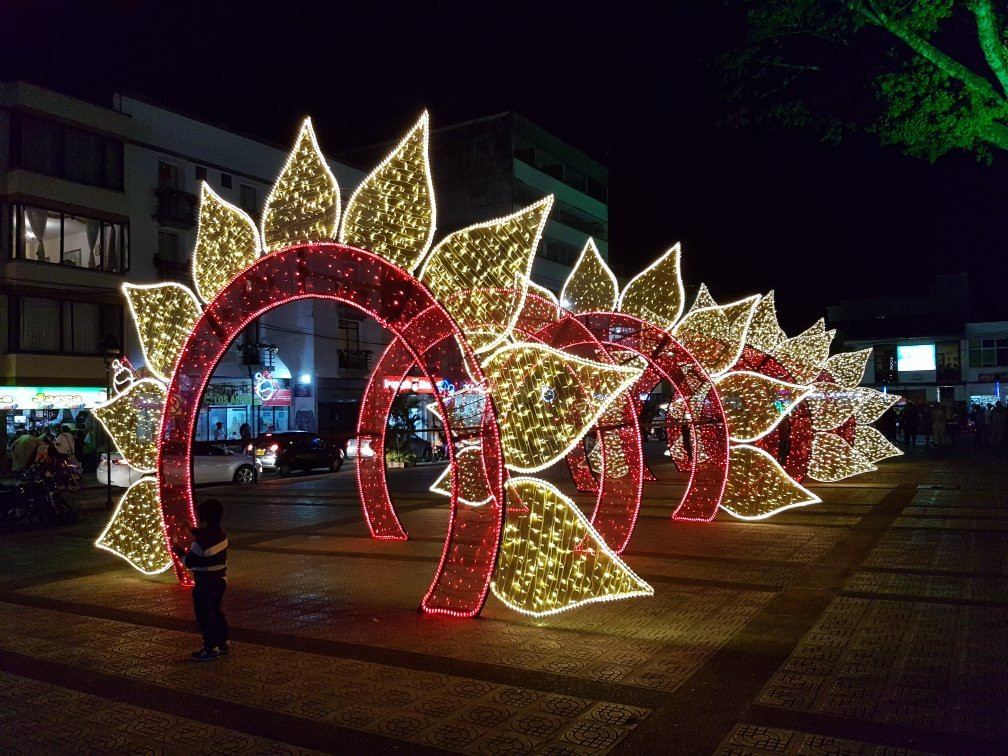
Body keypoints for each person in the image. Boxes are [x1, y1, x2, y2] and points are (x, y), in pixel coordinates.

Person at [173, 498, 230, 661]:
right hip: (220, 580)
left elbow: (189, 562)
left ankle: (210, 648)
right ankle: (223, 642)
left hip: (204, 583)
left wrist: (178, 550)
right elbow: (207, 536)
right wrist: (192, 529)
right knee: (217, 611)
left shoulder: (200, 544)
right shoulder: (221, 535)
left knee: (205, 616)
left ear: (204, 519)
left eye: (198, 517)